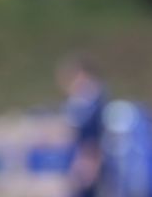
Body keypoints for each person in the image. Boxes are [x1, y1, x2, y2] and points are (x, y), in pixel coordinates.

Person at [55, 58, 107, 197]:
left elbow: (95, 133)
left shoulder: (94, 100)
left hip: (90, 157)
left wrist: (90, 160)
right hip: (79, 155)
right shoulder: (78, 101)